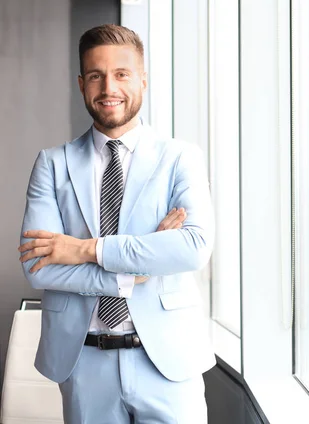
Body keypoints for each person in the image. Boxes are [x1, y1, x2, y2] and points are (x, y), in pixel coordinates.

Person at [17, 24, 215, 423]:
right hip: (84, 364)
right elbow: (39, 268)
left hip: (167, 362)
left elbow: (193, 247)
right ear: (81, 83)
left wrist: (85, 249)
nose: (109, 87)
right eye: (96, 75)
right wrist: (136, 269)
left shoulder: (181, 158)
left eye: (122, 74)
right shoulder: (52, 165)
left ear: (142, 79)